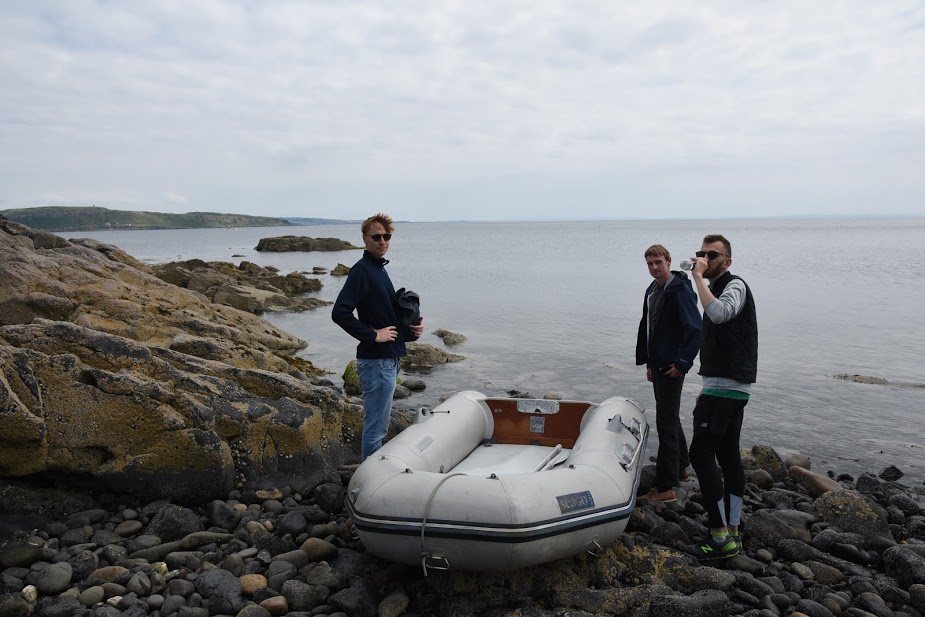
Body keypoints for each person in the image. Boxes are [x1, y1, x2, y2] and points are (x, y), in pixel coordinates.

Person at [686, 234, 758, 560]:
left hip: (726, 388)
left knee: (701, 455)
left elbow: (719, 314)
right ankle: (732, 531)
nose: (705, 258)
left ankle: (719, 536)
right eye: (702, 253)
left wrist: (698, 277)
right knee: (728, 456)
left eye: (712, 255)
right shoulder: (719, 286)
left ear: (727, 261)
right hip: (725, 385)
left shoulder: (735, 285)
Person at [332, 213, 424, 460]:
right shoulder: (362, 271)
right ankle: (370, 485)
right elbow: (340, 312)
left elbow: (385, 315)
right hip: (376, 362)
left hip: (389, 359)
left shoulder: (379, 270)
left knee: (377, 427)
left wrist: (412, 331)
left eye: (386, 236)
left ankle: (371, 476)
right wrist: (372, 335)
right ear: (364, 238)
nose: (382, 241)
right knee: (376, 429)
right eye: (376, 237)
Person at [635, 244, 703, 503]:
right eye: (650, 264)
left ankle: (665, 488)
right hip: (659, 363)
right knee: (669, 415)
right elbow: (649, 326)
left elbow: (695, 328)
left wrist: (683, 363)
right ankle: (682, 467)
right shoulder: (653, 289)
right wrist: (649, 362)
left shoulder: (679, 290)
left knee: (665, 421)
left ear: (668, 261)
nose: (654, 268)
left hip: (672, 366)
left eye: (658, 263)